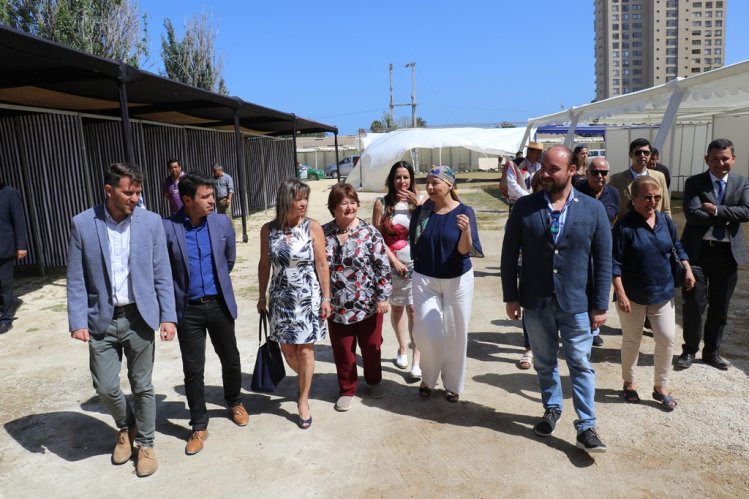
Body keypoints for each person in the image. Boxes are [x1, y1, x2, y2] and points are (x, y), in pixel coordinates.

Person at [66, 163, 177, 477]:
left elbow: (161, 273)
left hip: (140, 317)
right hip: (101, 318)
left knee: (143, 386)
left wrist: (167, 316)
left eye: (138, 192)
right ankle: (126, 426)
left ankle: (145, 443)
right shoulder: (83, 224)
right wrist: (77, 319)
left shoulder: (151, 222)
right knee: (104, 385)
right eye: (129, 192)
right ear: (109, 191)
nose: (135, 198)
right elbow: (76, 278)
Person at [501, 145, 611, 454]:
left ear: (572, 171)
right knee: (544, 361)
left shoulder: (593, 209)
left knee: (580, 363)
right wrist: (511, 295)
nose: (544, 174)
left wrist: (600, 304)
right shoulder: (525, 207)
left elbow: (603, 259)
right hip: (536, 300)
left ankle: (587, 426)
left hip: (576, 301)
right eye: (543, 169)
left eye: (553, 170)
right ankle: (551, 409)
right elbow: (509, 254)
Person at [163, 173, 247, 455]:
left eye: (212, 196)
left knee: (231, 359)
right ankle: (199, 424)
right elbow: (163, 273)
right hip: (188, 312)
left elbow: (229, 260)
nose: (213, 201)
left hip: (219, 304)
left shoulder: (222, 222)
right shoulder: (168, 228)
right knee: (193, 371)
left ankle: (234, 401)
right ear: (187, 200)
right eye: (205, 197)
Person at [612, 176, 695, 411]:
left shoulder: (665, 221)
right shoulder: (623, 227)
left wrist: (687, 268)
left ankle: (661, 387)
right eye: (647, 197)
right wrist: (620, 293)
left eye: (657, 197)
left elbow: (676, 246)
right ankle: (629, 383)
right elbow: (614, 262)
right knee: (632, 340)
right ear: (634, 198)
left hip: (663, 291)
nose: (653, 202)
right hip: (633, 294)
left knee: (667, 338)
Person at [257, 178, 331, 429]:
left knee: (306, 350)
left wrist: (327, 297)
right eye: (298, 198)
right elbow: (264, 264)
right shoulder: (268, 229)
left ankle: (303, 399)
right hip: (280, 298)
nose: (303, 203)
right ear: (285, 200)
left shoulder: (313, 227)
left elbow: (322, 264)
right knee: (288, 351)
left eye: (305, 198)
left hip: (308, 297)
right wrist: (261, 295)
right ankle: (305, 380)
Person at [410, 166, 482, 403]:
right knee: (427, 332)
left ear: (450, 185)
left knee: (455, 333)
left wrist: (466, 231)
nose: (430, 187)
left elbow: (464, 251)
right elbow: (415, 245)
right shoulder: (422, 212)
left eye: (435, 182)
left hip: (458, 281)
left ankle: (452, 384)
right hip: (425, 279)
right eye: (428, 183)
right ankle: (428, 377)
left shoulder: (465, 212)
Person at [676, 138, 749, 370]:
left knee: (720, 306)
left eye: (725, 158)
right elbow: (693, 215)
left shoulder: (742, 183)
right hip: (697, 253)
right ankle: (689, 350)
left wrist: (716, 210)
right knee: (695, 303)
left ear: (733, 159)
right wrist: (729, 214)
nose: (720, 163)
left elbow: (747, 211)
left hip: (727, 255)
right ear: (706, 159)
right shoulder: (695, 183)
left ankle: (712, 352)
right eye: (715, 159)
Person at [325, 183, 392, 411]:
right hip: (337, 305)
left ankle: (374, 381)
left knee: (371, 346)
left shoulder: (369, 233)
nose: (350, 207)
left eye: (353, 202)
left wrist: (383, 297)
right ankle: (347, 389)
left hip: (368, 303)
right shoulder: (324, 234)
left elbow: (382, 267)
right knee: (343, 350)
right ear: (333, 207)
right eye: (344, 202)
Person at [372, 161, 422, 379]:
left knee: (415, 311)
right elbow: (376, 238)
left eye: (406, 177)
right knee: (398, 309)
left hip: (417, 266)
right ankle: (402, 348)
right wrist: (394, 261)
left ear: (412, 179)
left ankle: (416, 360)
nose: (402, 182)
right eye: (398, 177)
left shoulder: (420, 202)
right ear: (391, 180)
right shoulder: (381, 203)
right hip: (391, 266)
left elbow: (427, 229)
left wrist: (420, 206)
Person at [575, 157, 620, 347]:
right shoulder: (576, 190)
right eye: (595, 172)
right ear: (587, 173)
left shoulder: (614, 194)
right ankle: (580, 327)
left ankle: (594, 330)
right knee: (582, 288)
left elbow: (615, 218)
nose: (599, 176)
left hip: (603, 249)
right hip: (581, 248)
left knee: (599, 288)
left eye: (604, 172)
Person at [609, 138, 670, 220]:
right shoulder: (616, 180)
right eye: (638, 153)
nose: (642, 156)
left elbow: (665, 209)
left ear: (650, 155)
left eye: (646, 153)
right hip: (628, 229)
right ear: (630, 155)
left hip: (655, 228)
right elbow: (612, 210)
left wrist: (667, 229)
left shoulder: (660, 177)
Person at [0, 179, 28, 335]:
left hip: (4, 246)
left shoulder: (10, 193)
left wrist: (21, 246)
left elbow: (18, 221)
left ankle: (6, 318)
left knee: (6, 284)